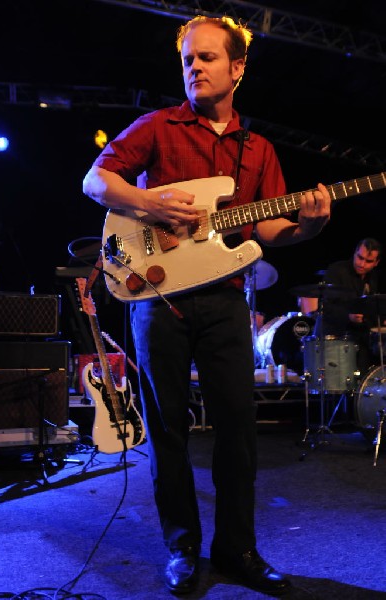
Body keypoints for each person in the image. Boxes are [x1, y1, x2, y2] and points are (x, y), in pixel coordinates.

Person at [83, 15, 331, 596]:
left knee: (238, 432)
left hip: (224, 303)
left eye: (207, 58)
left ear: (237, 68)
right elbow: (97, 182)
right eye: (188, 59)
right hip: (157, 299)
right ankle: (183, 549)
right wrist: (150, 204)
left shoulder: (259, 149)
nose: (194, 67)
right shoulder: (158, 126)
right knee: (169, 431)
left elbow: (269, 228)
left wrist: (310, 229)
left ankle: (237, 549)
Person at [315, 238, 385, 380]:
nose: (362, 264)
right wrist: (348, 316)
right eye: (360, 258)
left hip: (360, 338)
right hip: (335, 336)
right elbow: (326, 308)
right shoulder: (337, 270)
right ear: (355, 253)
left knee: (364, 380)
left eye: (369, 261)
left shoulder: (374, 278)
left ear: (376, 263)